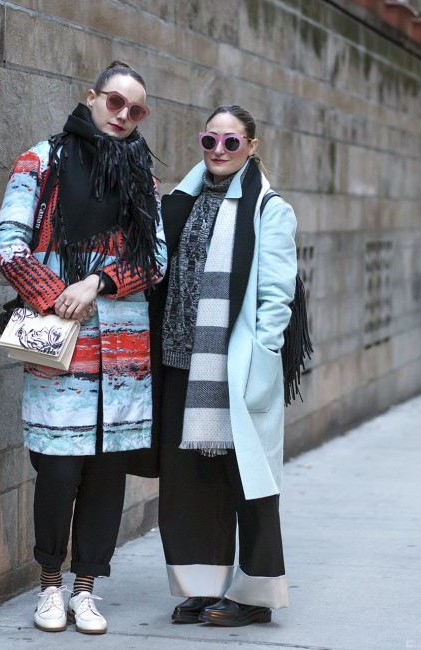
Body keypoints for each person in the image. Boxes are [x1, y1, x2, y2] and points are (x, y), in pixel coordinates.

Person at [0, 60, 166, 635]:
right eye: (115, 101)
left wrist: (98, 282)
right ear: (91, 97)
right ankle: (49, 585)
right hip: (60, 351)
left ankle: (86, 589)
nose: (123, 115)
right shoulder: (40, 161)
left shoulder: (142, 176)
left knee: (106, 480)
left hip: (123, 359)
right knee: (58, 474)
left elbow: (155, 259)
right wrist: (57, 295)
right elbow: (9, 246)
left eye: (136, 109)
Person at [156, 105, 297, 627]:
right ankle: (202, 587)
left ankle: (256, 595)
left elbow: (276, 297)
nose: (218, 150)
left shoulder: (269, 209)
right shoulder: (181, 200)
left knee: (249, 483)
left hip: (234, 367)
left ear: (251, 146)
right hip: (180, 362)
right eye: (209, 140)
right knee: (189, 482)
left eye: (231, 142)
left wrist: (261, 359)